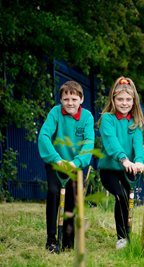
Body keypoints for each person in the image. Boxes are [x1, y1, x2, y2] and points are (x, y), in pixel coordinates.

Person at [38, 80, 95, 253]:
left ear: (81, 99)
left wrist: (76, 162)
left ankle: (68, 241)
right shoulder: (55, 113)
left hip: (74, 165)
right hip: (56, 163)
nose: (70, 103)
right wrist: (56, 159)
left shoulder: (87, 117)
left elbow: (88, 142)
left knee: (72, 201)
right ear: (61, 100)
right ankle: (51, 239)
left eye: (74, 99)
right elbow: (44, 136)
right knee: (54, 193)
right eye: (66, 99)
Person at [98, 76, 144, 250]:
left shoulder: (135, 123)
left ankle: (127, 235)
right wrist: (124, 159)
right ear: (113, 99)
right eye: (120, 99)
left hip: (129, 170)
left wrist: (139, 161)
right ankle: (121, 238)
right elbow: (112, 143)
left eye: (128, 100)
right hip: (110, 169)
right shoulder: (107, 119)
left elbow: (138, 147)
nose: (124, 103)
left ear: (133, 101)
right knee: (121, 195)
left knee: (128, 200)